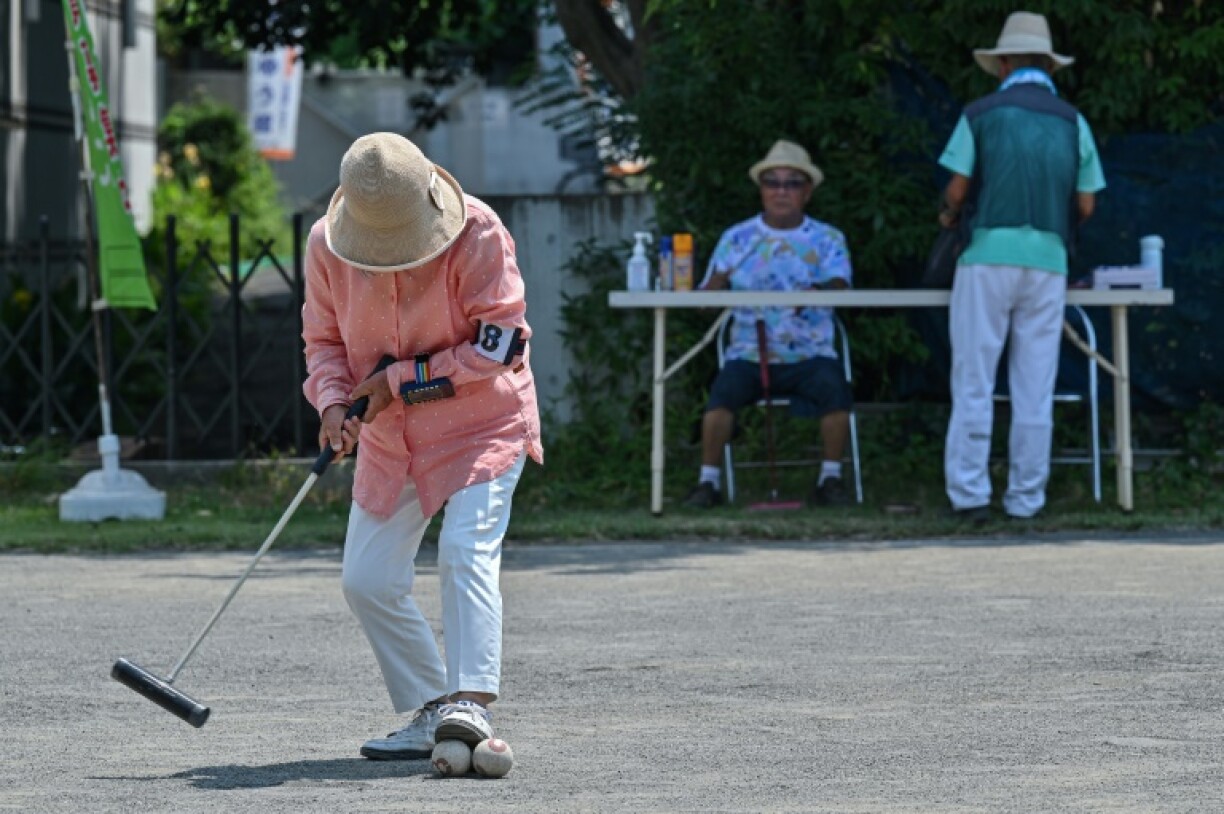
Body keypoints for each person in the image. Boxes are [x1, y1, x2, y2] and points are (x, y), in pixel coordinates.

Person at [301, 132, 544, 759]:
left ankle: (471, 703)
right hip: (392, 437)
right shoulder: (326, 245)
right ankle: (435, 707)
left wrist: (400, 381)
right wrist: (333, 403)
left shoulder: (479, 232)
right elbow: (323, 341)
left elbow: (499, 345)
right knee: (366, 579)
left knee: (465, 551)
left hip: (481, 424)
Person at [938, 12, 1105, 522]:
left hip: (987, 256)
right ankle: (1026, 500)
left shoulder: (980, 113)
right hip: (1048, 262)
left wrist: (948, 213)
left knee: (975, 378)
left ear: (1004, 62)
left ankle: (970, 497)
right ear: (1050, 66)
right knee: (1035, 384)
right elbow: (1086, 205)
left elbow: (959, 188)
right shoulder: (1073, 121)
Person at [683, 139, 854, 509]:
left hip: (811, 351)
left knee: (835, 392)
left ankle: (831, 479)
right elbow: (705, 304)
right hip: (748, 351)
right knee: (720, 398)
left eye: (791, 183)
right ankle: (708, 484)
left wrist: (819, 288)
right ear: (761, 191)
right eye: (772, 182)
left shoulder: (827, 239)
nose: (781, 191)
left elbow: (842, 286)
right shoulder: (737, 238)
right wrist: (713, 286)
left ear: (807, 192)